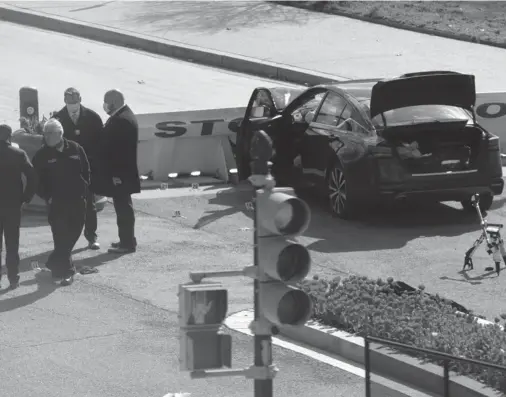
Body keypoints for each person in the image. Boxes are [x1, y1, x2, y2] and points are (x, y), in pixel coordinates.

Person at [32, 119, 90, 286]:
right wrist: (46, 196)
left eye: (50, 133)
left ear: (60, 133)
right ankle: (66, 272)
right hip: (56, 202)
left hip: (77, 199)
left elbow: (86, 170)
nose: (47, 136)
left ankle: (53, 262)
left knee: (75, 231)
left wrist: (85, 189)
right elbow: (35, 179)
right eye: (45, 133)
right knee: (60, 236)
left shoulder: (75, 148)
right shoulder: (42, 154)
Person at [52, 87, 103, 250]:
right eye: (69, 102)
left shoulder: (93, 118)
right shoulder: (58, 119)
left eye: (75, 101)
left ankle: (91, 236)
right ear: (65, 101)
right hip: (65, 170)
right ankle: (67, 239)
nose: (72, 105)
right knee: (66, 205)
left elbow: (100, 143)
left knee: (89, 204)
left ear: (80, 100)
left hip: (87, 169)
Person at [95, 89, 140, 254]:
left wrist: (116, 175)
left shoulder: (121, 121)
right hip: (123, 173)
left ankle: (127, 243)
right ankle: (126, 240)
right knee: (123, 207)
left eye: (106, 101)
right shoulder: (123, 117)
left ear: (113, 102)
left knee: (123, 209)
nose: (105, 105)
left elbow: (119, 153)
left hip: (121, 175)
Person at [0, 124, 37, 289]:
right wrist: (26, 198)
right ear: (9, 137)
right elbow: (32, 177)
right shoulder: (18, 154)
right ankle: (13, 277)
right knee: (12, 242)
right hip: (12, 205)